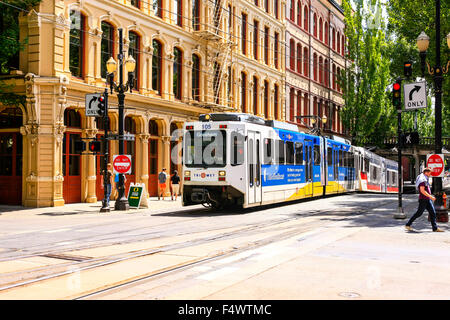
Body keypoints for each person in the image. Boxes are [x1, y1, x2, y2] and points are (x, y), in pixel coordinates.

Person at [405, 167, 444, 232]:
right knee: (419, 213)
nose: (430, 174)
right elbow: (422, 190)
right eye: (429, 173)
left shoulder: (424, 178)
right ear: (426, 172)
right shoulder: (422, 180)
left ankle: (435, 228)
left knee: (432, 213)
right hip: (423, 199)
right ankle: (408, 224)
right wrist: (431, 196)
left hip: (427, 199)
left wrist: (429, 197)